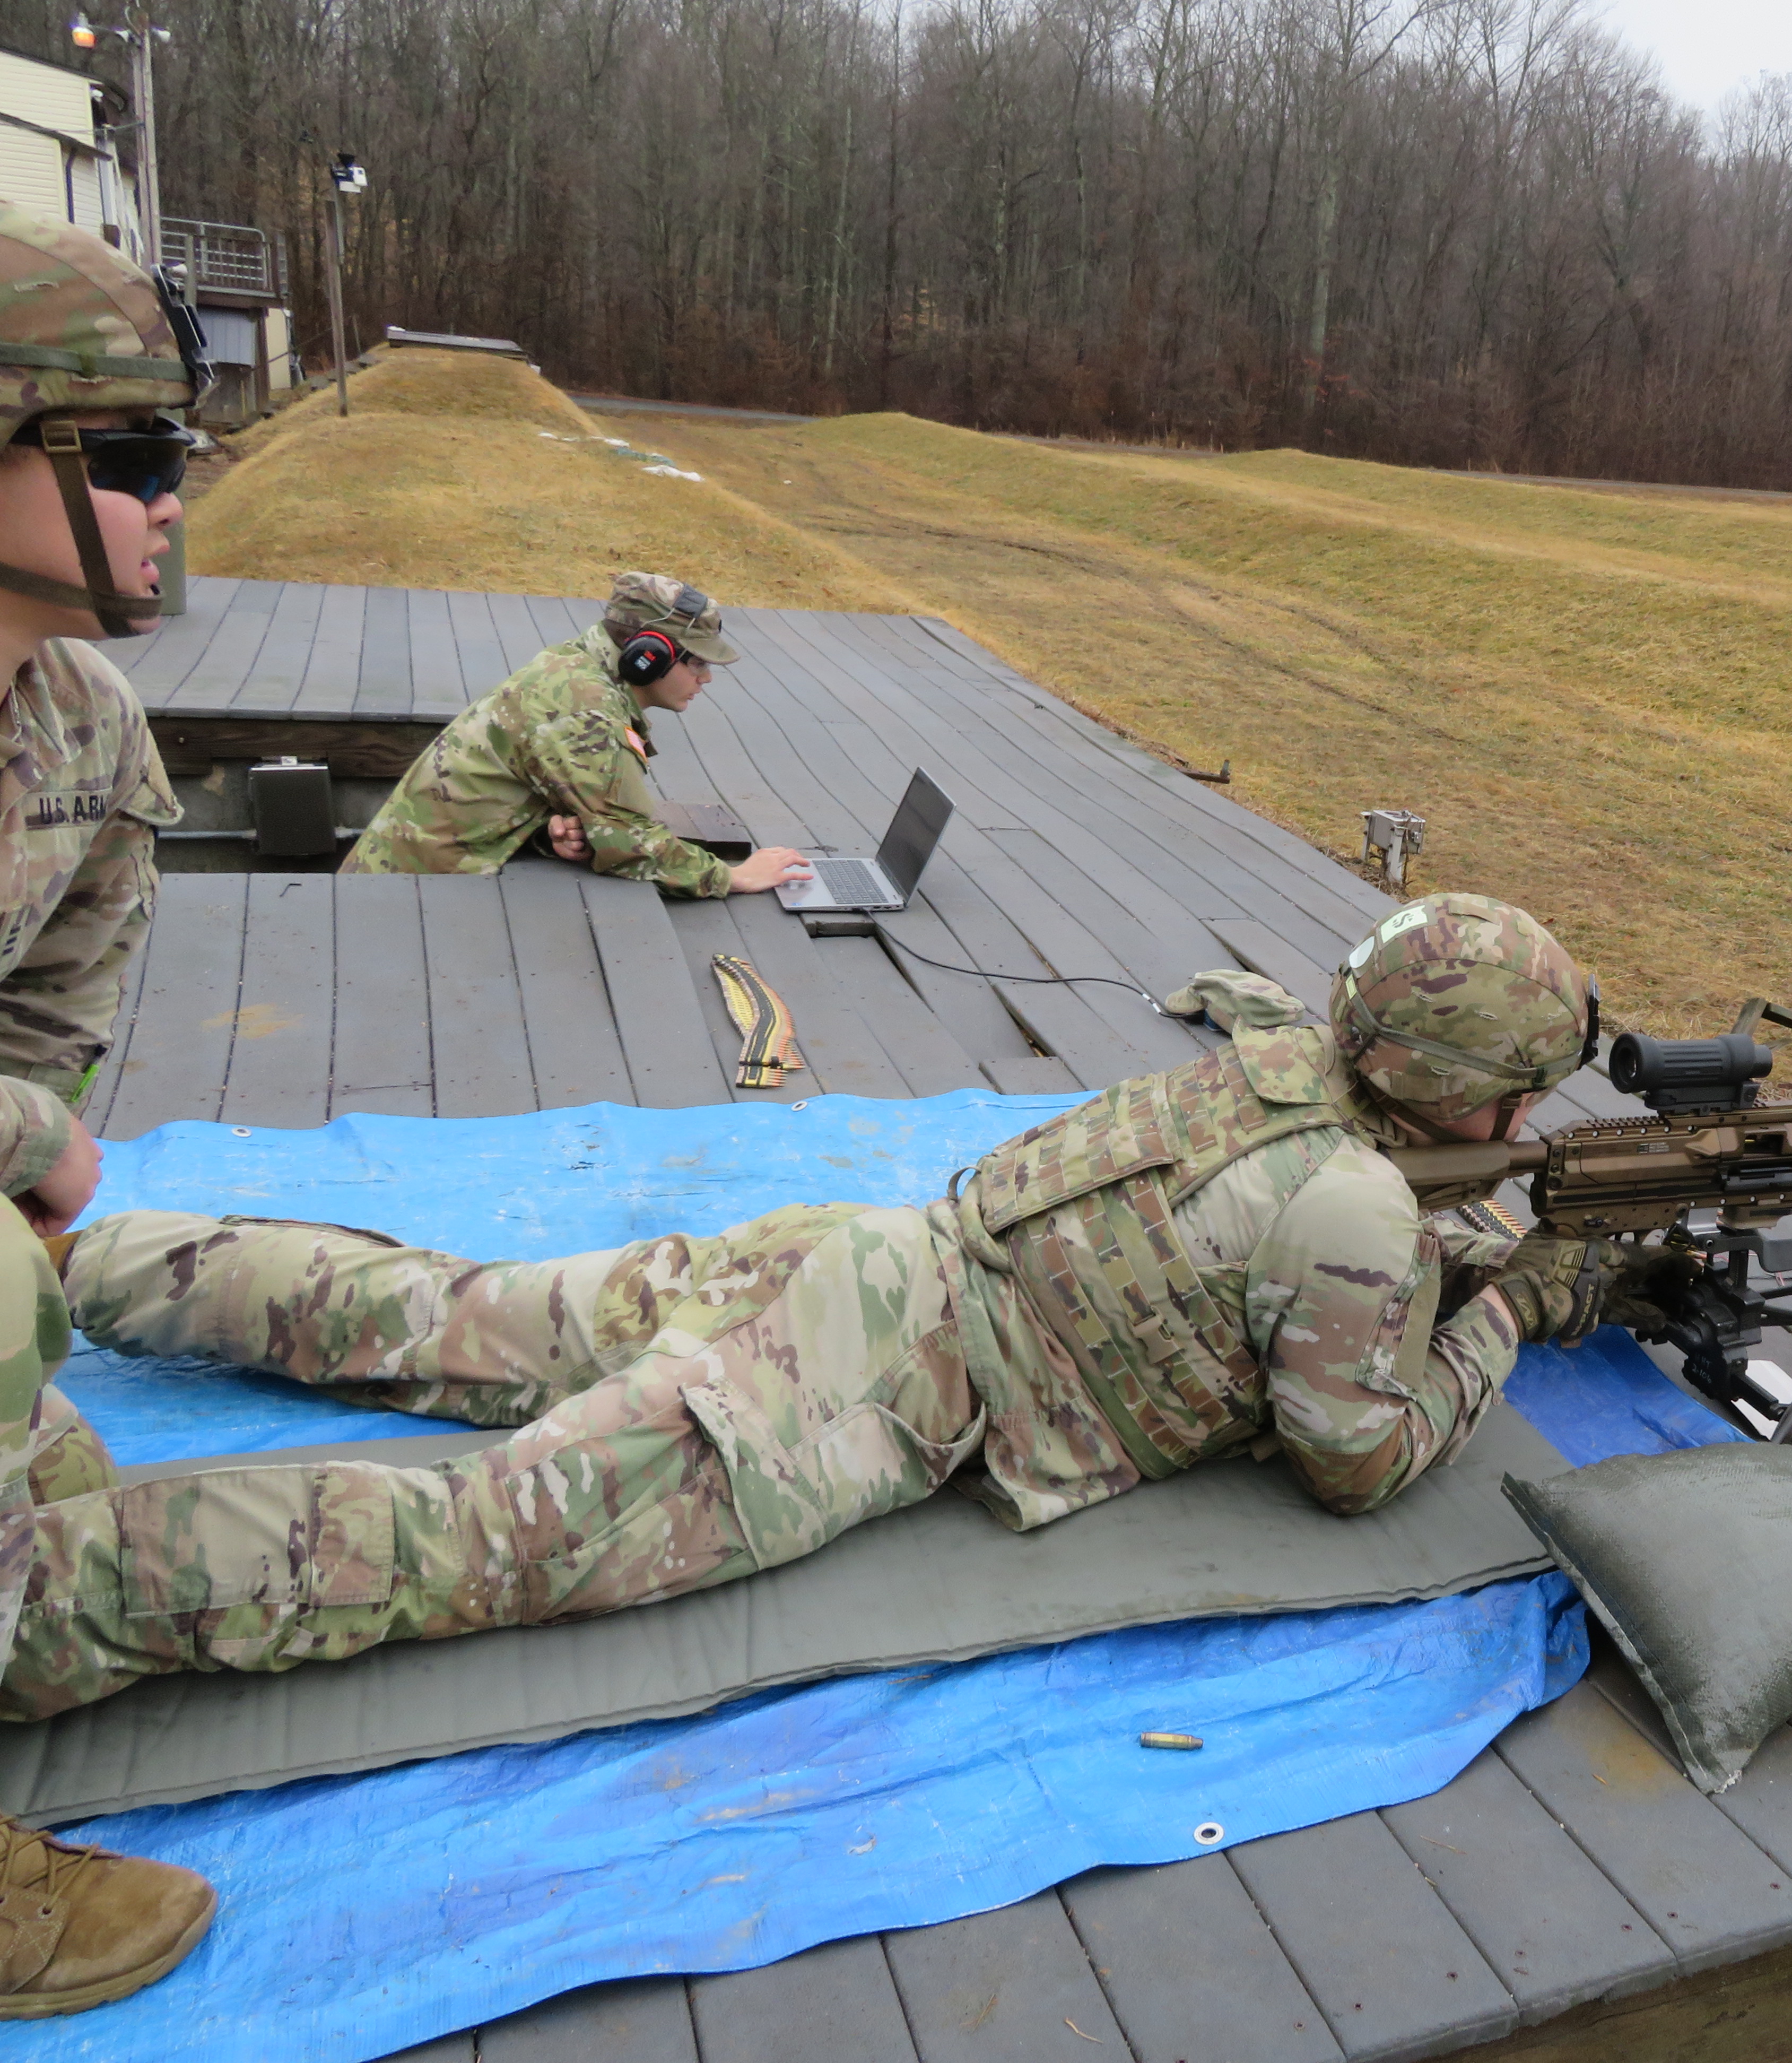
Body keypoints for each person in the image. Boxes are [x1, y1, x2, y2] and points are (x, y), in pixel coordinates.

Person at [25, 896, 1659, 1731]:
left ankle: (71, 1260)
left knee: (454, 1311)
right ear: (1453, 1088)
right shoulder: (1361, 1206)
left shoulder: (1282, 1063)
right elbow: (1353, 1459)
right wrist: (1505, 1312)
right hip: (866, 1388)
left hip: (854, 1252)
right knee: (486, 1538)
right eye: (1519, 1092)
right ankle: (41, 1603)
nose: (1526, 1124)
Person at [0, 201, 220, 2017]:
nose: (172, 496)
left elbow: (49, 1021)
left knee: (47, 1449)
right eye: (130, 452)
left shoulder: (80, 726)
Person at [341, 570, 812, 896]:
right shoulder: (583, 711)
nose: (706, 678)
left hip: (419, 875)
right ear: (649, 654)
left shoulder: (577, 667)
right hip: (404, 897)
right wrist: (735, 878)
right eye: (698, 662)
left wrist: (545, 832)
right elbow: (631, 844)